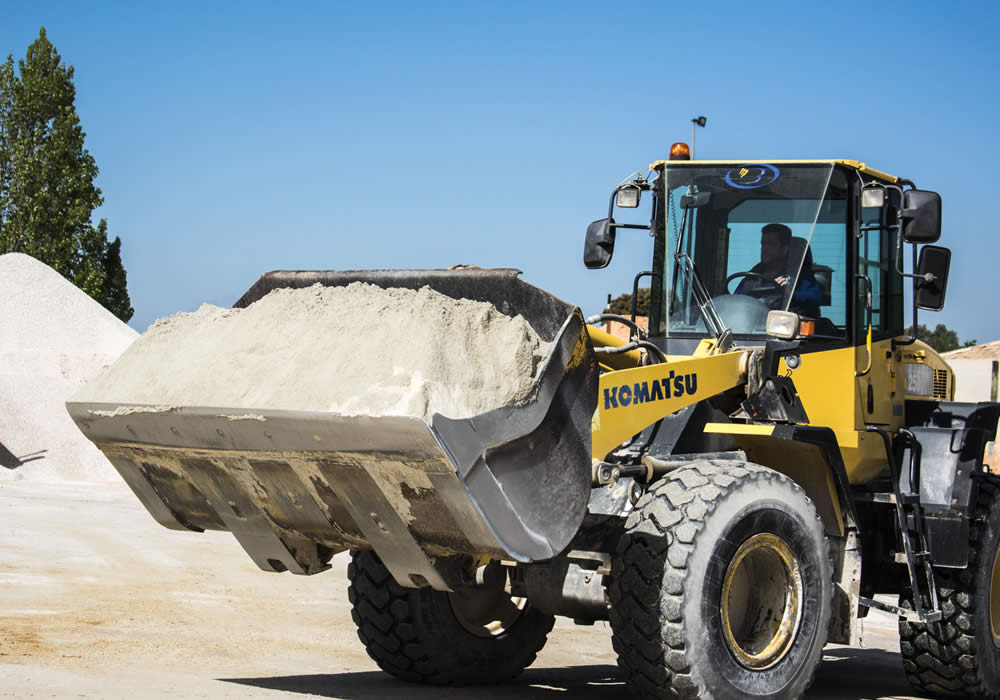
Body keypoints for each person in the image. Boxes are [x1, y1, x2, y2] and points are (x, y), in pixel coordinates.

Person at [735, 223, 822, 318]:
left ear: (784, 249)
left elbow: (815, 298)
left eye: (770, 244)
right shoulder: (751, 278)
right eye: (763, 243)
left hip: (783, 325)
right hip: (750, 325)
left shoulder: (799, 277)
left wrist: (789, 294)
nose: (764, 249)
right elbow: (735, 301)